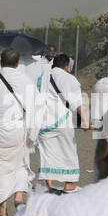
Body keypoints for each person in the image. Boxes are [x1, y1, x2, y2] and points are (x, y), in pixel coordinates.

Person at [0, 48, 36, 216]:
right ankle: (19, 196)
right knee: (20, 163)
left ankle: (2, 208)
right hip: (18, 129)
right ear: (18, 63)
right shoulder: (26, 81)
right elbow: (35, 108)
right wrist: (32, 133)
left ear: (0, 62)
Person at [34, 53, 88, 193]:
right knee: (68, 151)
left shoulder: (41, 78)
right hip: (62, 121)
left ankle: (48, 185)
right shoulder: (69, 78)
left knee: (47, 153)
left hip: (44, 123)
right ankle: (69, 184)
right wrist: (85, 120)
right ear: (66, 66)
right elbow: (76, 101)